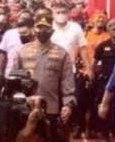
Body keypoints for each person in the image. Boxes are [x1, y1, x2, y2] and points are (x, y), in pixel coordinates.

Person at [12, 8, 76, 142]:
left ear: (52, 31)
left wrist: (68, 106)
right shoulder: (22, 52)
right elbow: (13, 82)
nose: (42, 31)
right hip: (26, 109)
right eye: (39, 27)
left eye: (46, 28)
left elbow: (67, 83)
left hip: (51, 110)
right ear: (34, 29)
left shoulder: (61, 53)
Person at [91, 19, 115, 142]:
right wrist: (94, 76)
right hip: (106, 82)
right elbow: (94, 63)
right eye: (114, 29)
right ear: (108, 30)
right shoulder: (102, 46)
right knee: (104, 107)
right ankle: (104, 132)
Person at [0, 10, 35, 76]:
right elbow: (2, 58)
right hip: (10, 76)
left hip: (31, 77)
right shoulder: (9, 34)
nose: (24, 20)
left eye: (27, 19)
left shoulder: (37, 37)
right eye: (22, 18)